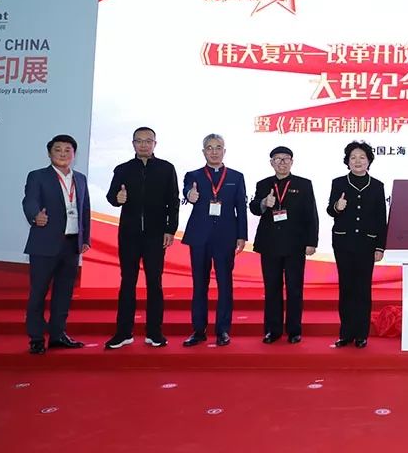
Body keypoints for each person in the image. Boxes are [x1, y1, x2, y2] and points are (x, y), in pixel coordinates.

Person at [104, 127, 179, 349]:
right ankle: (123, 333)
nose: (144, 145)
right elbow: (111, 196)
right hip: (129, 234)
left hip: (156, 235)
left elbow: (173, 201)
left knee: (155, 282)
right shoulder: (123, 169)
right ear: (133, 144)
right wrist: (117, 198)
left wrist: (170, 230)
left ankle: (154, 332)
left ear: (155, 143)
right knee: (127, 281)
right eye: (139, 141)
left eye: (148, 141)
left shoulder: (166, 168)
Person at [22, 135, 91, 354]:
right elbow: (29, 200)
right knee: (39, 292)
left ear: (74, 154)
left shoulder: (80, 179)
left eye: (67, 150)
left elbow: (85, 209)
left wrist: (85, 239)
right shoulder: (38, 176)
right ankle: (36, 338)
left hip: (71, 245)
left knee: (64, 292)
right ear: (49, 153)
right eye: (58, 149)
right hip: (45, 243)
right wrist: (35, 216)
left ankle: (57, 335)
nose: (63, 153)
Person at [181, 134, 247, 347]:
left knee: (225, 284)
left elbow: (241, 208)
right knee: (199, 284)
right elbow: (187, 192)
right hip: (199, 237)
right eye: (209, 148)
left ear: (224, 151)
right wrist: (189, 195)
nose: (214, 151)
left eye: (218, 147)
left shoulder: (236, 177)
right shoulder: (193, 175)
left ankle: (223, 330)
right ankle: (198, 330)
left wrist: (242, 235)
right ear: (204, 152)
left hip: (226, 237)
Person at [249, 146, 319, 344]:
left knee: (294, 288)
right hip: (270, 244)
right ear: (271, 163)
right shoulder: (263, 184)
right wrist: (264, 202)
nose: (282, 163)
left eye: (286, 159)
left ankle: (294, 330)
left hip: (295, 244)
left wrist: (311, 242)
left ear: (292, 162)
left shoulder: (304, 184)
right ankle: (273, 330)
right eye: (277, 159)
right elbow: (254, 208)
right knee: (272, 288)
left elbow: (311, 215)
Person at [326, 141, 387, 349]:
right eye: (353, 157)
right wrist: (337, 206)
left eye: (362, 157)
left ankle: (361, 334)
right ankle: (346, 333)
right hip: (343, 242)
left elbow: (381, 218)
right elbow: (330, 210)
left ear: (369, 161)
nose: (357, 161)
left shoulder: (377, 186)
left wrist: (380, 246)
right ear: (347, 161)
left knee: (362, 289)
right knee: (346, 287)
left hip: (367, 243)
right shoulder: (338, 183)